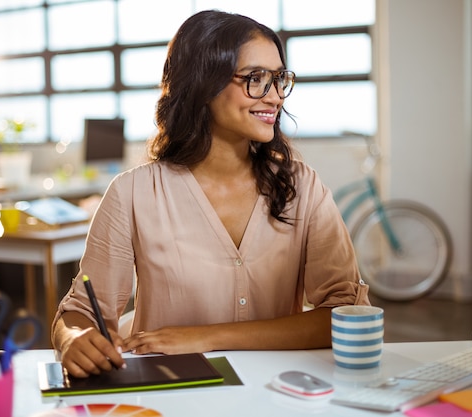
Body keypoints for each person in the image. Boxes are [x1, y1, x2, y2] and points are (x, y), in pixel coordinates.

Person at [52, 9, 370, 378]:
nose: (275, 97)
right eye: (255, 79)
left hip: (279, 394)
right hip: (171, 392)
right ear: (204, 83)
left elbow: (345, 315)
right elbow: (82, 311)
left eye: (279, 79)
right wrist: (72, 337)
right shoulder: (132, 193)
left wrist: (206, 337)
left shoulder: (303, 187)